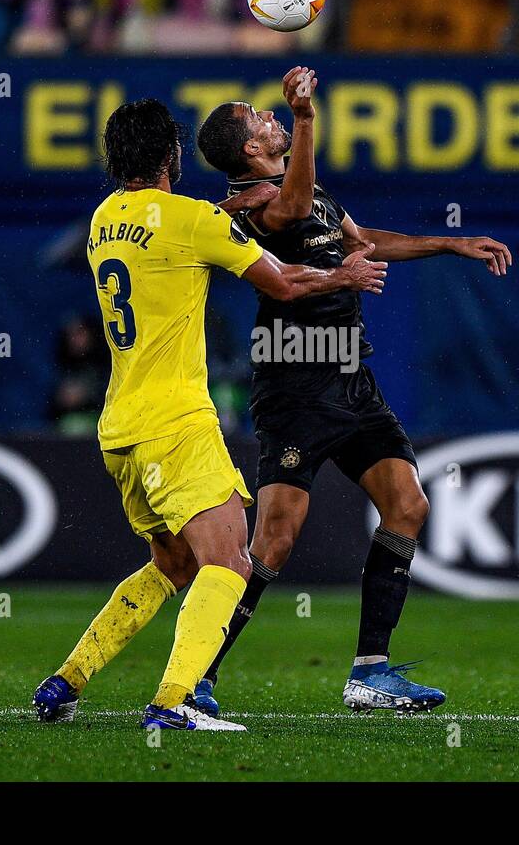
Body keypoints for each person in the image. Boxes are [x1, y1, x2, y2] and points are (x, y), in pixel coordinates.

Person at [31, 95, 387, 730]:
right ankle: (171, 705)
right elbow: (280, 281)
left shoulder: (102, 218)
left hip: (119, 428)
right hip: (175, 423)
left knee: (171, 564)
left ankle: (66, 681)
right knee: (231, 562)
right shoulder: (193, 219)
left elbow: (159, 239)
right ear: (172, 155)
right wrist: (343, 277)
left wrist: (221, 214)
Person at [192, 66, 512, 716]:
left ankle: (371, 672)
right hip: (295, 387)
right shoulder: (248, 207)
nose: (271, 117)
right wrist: (307, 119)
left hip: (351, 382)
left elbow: (365, 242)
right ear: (251, 150)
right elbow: (288, 214)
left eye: (273, 114)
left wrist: (449, 244)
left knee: (408, 505)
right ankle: (198, 672)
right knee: (274, 542)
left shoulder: (311, 191)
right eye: (259, 117)